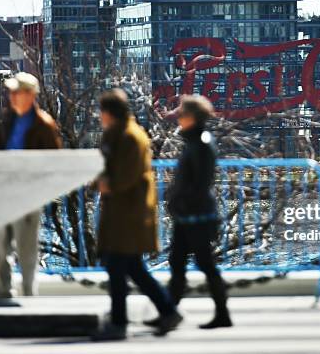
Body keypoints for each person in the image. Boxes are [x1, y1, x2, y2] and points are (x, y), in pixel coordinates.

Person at [94, 89, 183, 341]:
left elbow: (127, 175)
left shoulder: (129, 137)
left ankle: (119, 322)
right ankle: (167, 311)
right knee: (132, 267)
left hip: (128, 214)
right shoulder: (119, 135)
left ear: (109, 113)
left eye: (101, 111)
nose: (99, 116)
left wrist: (107, 184)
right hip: (123, 213)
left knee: (118, 267)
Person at [147, 94, 232, 329]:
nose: (178, 119)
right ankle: (169, 312)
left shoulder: (202, 144)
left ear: (192, 117)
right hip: (188, 214)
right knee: (177, 263)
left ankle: (222, 314)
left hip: (197, 215)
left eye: (181, 114)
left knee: (205, 264)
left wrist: (182, 202)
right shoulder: (195, 142)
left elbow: (201, 183)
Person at [0, 72, 62, 299]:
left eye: (16, 92)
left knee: (26, 248)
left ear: (30, 95)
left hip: (28, 195)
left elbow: (54, 160)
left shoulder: (43, 125)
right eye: (10, 92)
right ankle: (2, 293)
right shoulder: (7, 120)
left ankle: (29, 296)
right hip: (4, 193)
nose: (11, 97)